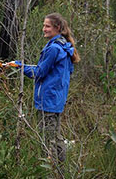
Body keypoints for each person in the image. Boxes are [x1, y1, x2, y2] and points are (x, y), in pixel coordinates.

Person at [12, 13, 80, 171]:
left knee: (46, 140)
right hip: (56, 100)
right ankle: (62, 169)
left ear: (57, 28)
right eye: (44, 25)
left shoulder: (55, 48)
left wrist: (19, 66)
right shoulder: (63, 47)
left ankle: (48, 171)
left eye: (47, 26)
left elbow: (39, 72)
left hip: (48, 101)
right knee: (55, 137)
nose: (44, 29)